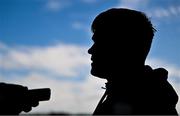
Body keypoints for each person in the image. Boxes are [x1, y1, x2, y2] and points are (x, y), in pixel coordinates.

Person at [88, 8, 179, 115]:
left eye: (100, 43)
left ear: (124, 47)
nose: (90, 50)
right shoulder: (123, 95)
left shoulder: (143, 104)